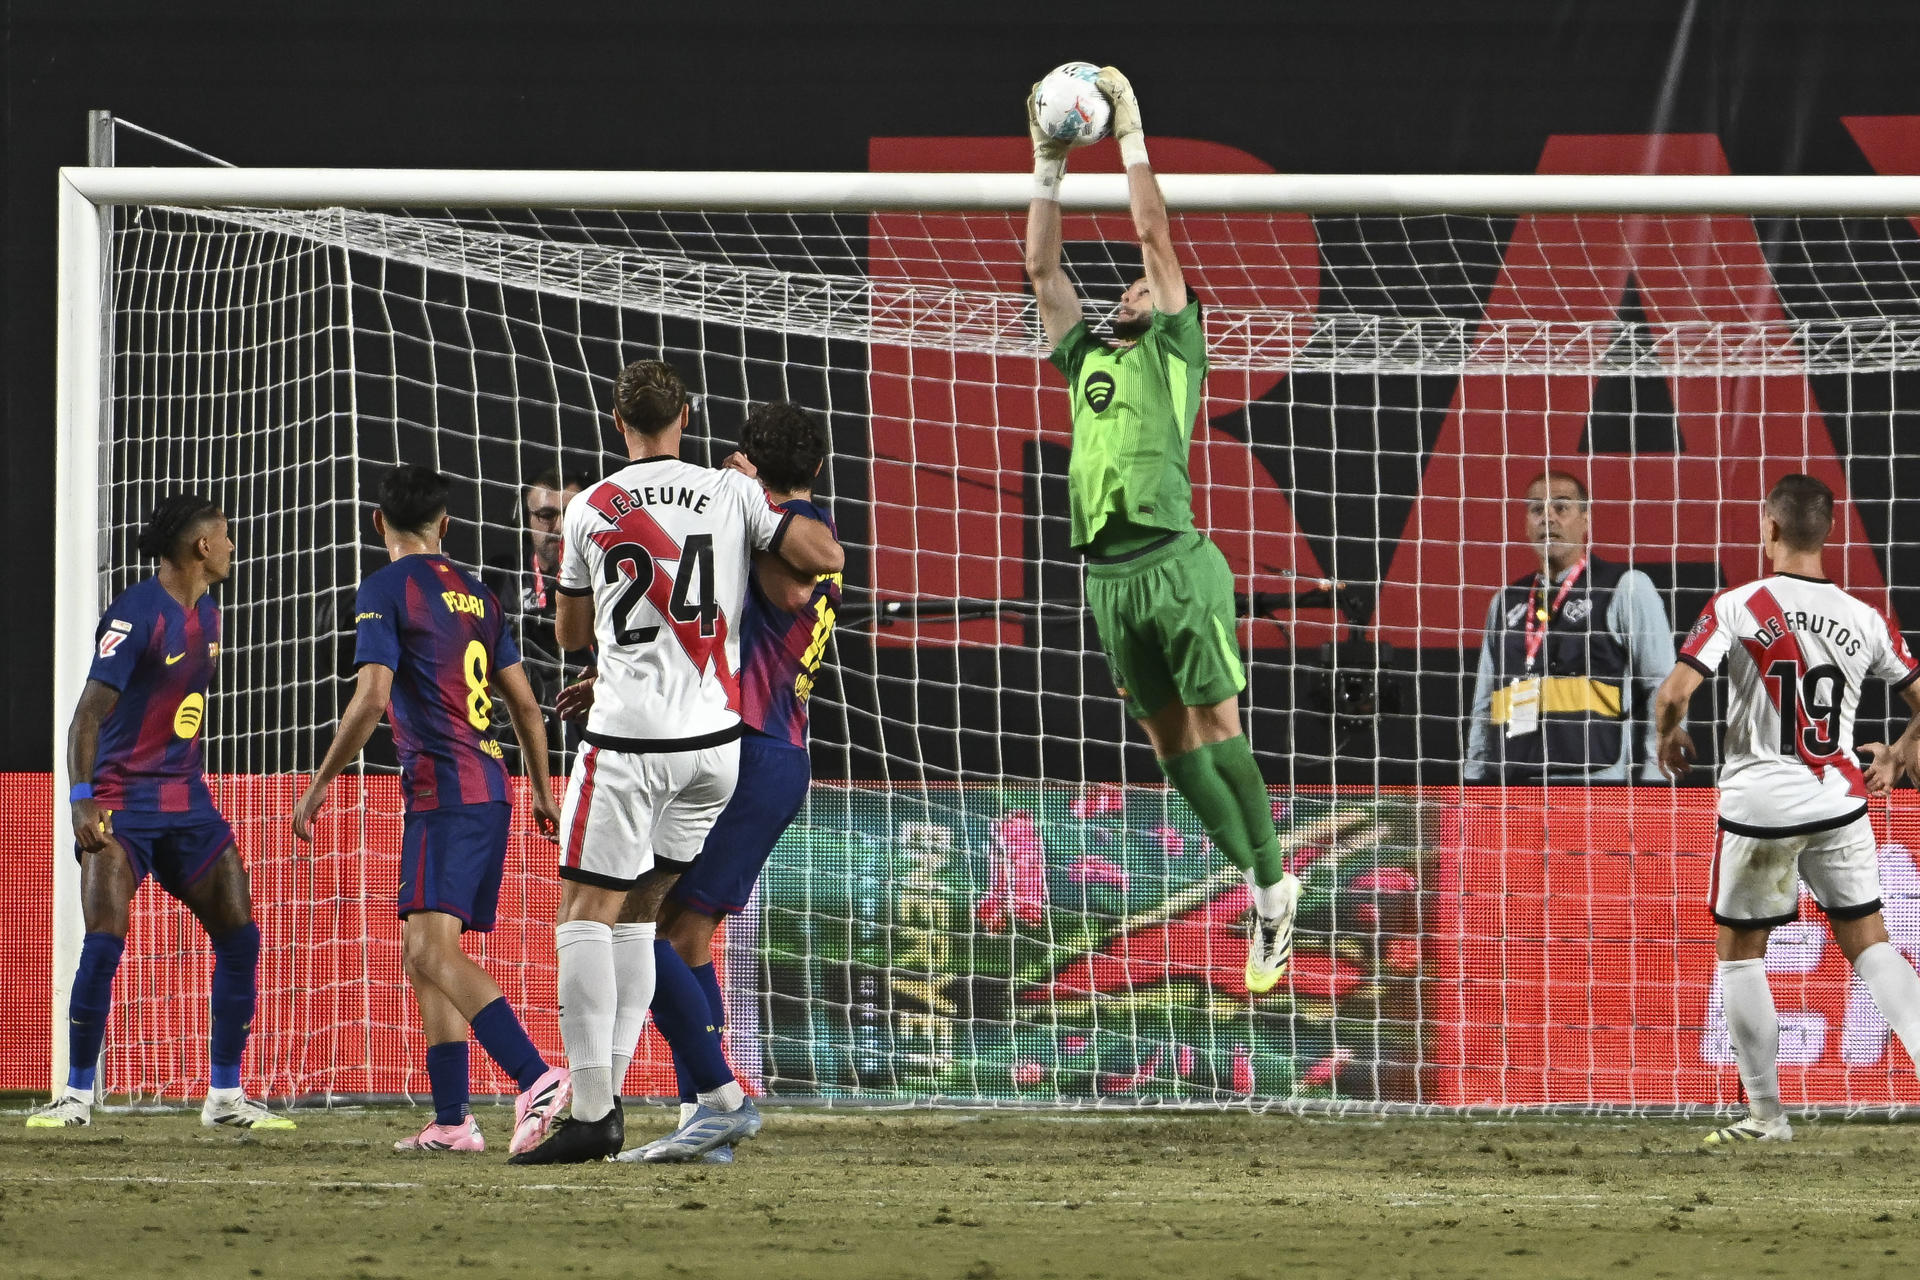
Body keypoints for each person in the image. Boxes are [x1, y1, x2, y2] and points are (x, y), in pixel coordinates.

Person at [510, 361, 843, 1165]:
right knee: (677, 931)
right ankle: (701, 1104)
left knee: (629, 923)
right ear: (688, 415)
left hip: (728, 744)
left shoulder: (608, 505)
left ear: (615, 417)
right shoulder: (733, 502)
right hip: (739, 749)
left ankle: (700, 1095)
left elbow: (798, 582)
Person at [1022, 66, 1301, 993]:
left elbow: (1152, 232)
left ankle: (1272, 887)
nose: (1135, 291)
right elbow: (1041, 270)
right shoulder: (1085, 360)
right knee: (1170, 751)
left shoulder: (1177, 348)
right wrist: (1048, 164)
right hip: (1106, 576)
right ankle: (1265, 883)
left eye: (1148, 289)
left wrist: (1132, 135)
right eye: (1134, 291)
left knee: (1219, 725)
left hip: (1178, 562)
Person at [291, 467, 568, 1154]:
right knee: (425, 952)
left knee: (428, 950)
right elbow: (526, 706)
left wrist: (322, 782)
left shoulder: (386, 588)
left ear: (378, 523)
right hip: (486, 788)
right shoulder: (479, 595)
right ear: (445, 526)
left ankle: (537, 1078)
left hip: (446, 792)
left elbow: (370, 699)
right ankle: (452, 1119)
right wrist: (538, 788)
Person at [1653, 473, 1920, 1146]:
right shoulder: (1866, 618)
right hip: (1838, 804)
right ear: (1827, 533)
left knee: (1741, 955)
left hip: (1760, 810)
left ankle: (1768, 1116)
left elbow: (1673, 695)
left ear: (1768, 528)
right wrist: (1896, 755)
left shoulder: (1739, 605)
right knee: (1869, 944)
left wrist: (1668, 732)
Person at [28, 494, 292, 1131]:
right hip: (122, 804)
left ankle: (225, 1098)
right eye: (225, 537)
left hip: (188, 803)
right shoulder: (135, 615)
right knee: (104, 941)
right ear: (202, 547)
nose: (232, 547)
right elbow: (86, 715)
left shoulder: (211, 615)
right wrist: (81, 797)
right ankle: (76, 1097)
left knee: (240, 934)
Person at [1466, 470, 1676, 783]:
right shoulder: (1505, 602)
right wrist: (1474, 778)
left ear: (1586, 519)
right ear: (1525, 523)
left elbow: (1663, 686)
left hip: (1599, 783)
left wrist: (1654, 781)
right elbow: (1484, 704)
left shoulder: (1624, 587)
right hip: (1513, 783)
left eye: (1561, 507)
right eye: (1536, 509)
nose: (1547, 518)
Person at [483, 468, 592, 775]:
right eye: (545, 515)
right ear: (524, 519)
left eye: (569, 514)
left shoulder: (606, 575)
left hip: (587, 725)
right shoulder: (499, 576)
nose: (558, 527)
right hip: (516, 732)